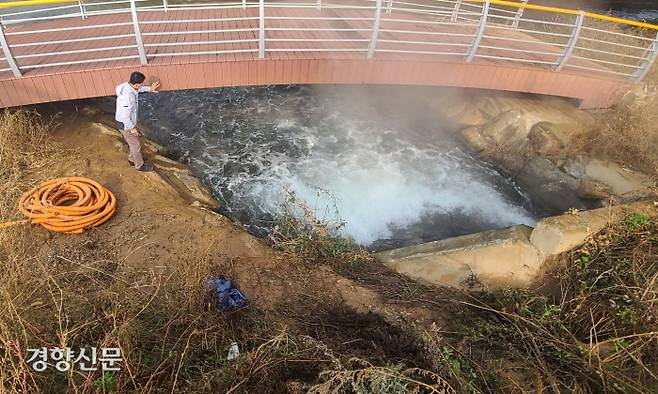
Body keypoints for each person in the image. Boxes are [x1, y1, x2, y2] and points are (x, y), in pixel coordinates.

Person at [115, 71, 161, 172]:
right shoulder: (127, 98)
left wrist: (149, 89)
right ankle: (139, 165)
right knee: (135, 145)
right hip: (125, 124)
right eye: (142, 84)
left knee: (134, 143)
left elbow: (137, 90)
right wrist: (132, 128)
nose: (143, 85)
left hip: (126, 122)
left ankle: (132, 159)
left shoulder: (127, 86)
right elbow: (124, 116)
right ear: (136, 84)